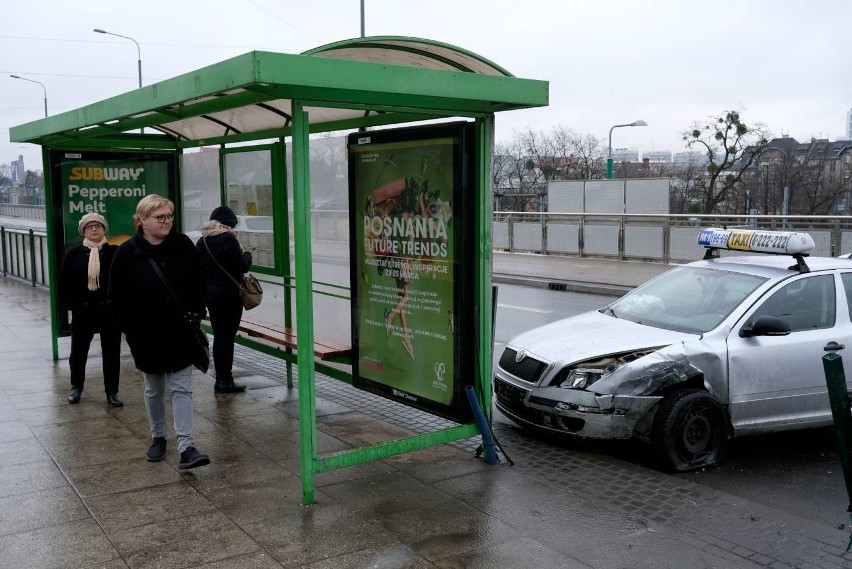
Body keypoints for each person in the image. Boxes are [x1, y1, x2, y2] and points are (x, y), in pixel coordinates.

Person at [107, 194, 210, 469]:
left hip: (180, 331)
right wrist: (130, 330)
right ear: (142, 221)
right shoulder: (127, 252)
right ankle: (158, 438)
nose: (167, 222)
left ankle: (187, 447)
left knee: (181, 389)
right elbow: (115, 297)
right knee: (153, 389)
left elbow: (199, 281)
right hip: (146, 335)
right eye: (160, 217)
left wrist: (197, 312)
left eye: (169, 216)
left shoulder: (183, 245)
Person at [57, 212, 123, 406]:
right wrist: (73, 306)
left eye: (98, 226)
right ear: (83, 231)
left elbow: (123, 282)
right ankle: (76, 387)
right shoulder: (73, 254)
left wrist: (118, 306)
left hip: (109, 313)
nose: (94, 229)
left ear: (104, 229)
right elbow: (63, 285)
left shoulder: (115, 252)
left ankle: (112, 392)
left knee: (111, 354)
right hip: (83, 312)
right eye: (89, 226)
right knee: (78, 352)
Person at [196, 205, 252, 393]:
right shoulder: (228, 238)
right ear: (226, 224)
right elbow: (242, 266)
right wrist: (248, 255)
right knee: (227, 337)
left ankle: (221, 377)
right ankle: (225, 380)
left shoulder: (202, 241)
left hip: (211, 295)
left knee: (220, 335)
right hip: (229, 296)